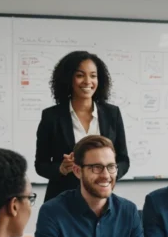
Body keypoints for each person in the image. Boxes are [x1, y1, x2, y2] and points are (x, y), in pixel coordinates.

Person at [35, 50, 130, 202]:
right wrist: (61, 168)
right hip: (62, 200)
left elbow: (124, 159)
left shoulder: (112, 113)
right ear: (68, 79)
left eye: (93, 75)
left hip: (101, 200)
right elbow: (41, 164)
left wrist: (110, 174)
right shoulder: (51, 116)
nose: (87, 81)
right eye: (80, 75)